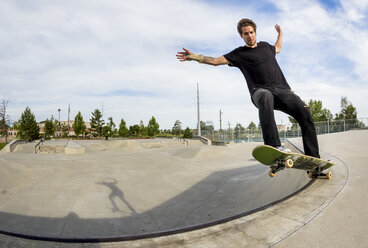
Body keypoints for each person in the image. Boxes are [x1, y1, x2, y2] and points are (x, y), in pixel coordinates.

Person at [176, 18, 320, 158]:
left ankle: (314, 159)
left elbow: (278, 47)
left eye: (251, 32)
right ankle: (274, 146)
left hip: (282, 91)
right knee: (265, 95)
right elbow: (215, 61)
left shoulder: (266, 47)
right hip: (259, 92)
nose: (249, 36)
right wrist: (193, 57)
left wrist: (280, 34)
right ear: (241, 36)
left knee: (305, 112)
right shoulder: (239, 54)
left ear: (255, 33)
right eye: (246, 33)